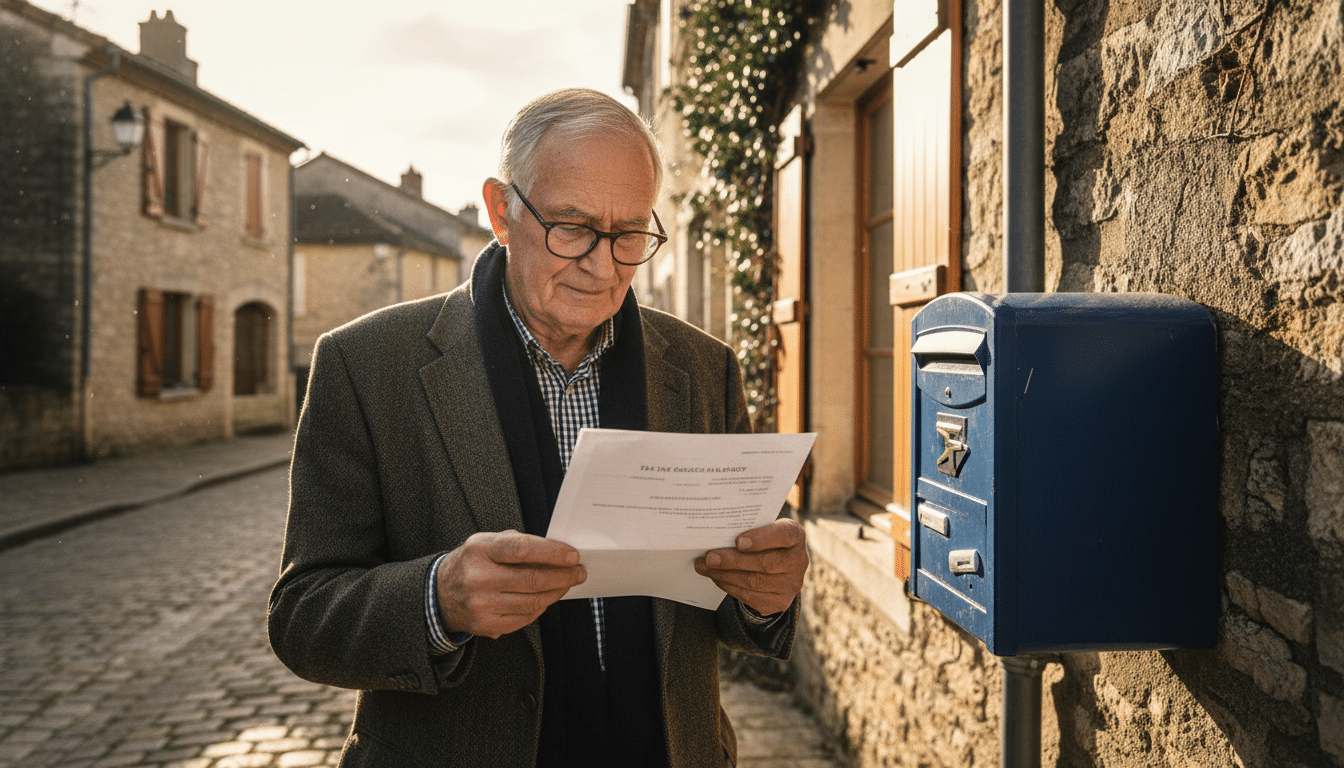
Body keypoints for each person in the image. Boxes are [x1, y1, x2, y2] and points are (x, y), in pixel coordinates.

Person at [268, 88, 809, 768]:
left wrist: (767, 592)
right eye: (573, 227)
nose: (604, 266)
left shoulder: (706, 369)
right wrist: (440, 598)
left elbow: (732, 600)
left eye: (630, 233)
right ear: (501, 211)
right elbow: (303, 618)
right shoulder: (364, 364)